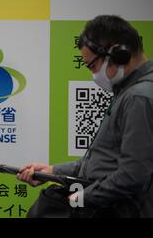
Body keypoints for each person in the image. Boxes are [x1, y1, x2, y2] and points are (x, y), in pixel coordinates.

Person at [17, 15, 153, 217]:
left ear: (118, 54)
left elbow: (133, 175)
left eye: (92, 65)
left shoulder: (138, 98)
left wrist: (80, 199)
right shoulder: (127, 93)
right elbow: (103, 161)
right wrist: (53, 171)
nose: (93, 74)